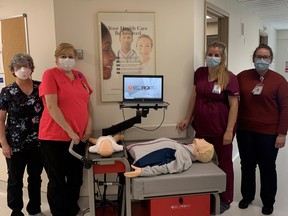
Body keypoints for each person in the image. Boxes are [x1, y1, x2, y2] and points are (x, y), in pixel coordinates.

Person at [176, 41, 239, 214]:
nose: (212, 57)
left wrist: (229, 130)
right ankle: (206, 194)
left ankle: (225, 199)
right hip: (202, 127)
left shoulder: (229, 77)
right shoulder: (200, 73)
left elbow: (234, 106)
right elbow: (194, 96)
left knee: (224, 163)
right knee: (202, 161)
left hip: (221, 128)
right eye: (210, 54)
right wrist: (187, 118)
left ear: (223, 58)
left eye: (216, 55)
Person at [38, 43, 93, 216]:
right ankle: (60, 213)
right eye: (63, 56)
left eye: (71, 56)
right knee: (57, 181)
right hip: (54, 138)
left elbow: (87, 103)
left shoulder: (80, 75)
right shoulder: (50, 74)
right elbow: (52, 107)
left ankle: (72, 210)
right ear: (56, 58)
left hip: (79, 138)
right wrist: (70, 132)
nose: (67, 59)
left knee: (76, 179)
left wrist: (89, 129)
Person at [236, 44, 288, 215]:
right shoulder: (242, 77)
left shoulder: (279, 80)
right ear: (253, 59)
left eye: (266, 57)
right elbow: (232, 99)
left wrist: (282, 133)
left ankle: (268, 201)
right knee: (247, 166)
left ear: (271, 60)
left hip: (269, 134)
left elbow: (285, 108)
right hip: (245, 131)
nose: (262, 60)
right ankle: (247, 196)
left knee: (267, 167)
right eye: (259, 57)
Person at [0, 53, 45, 216]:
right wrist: (4, 143)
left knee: (35, 178)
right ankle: (16, 211)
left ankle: (34, 209)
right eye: (18, 66)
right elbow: (0, 119)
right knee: (14, 179)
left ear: (32, 68)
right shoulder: (7, 92)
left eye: (26, 65)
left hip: (38, 142)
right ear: (13, 69)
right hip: (15, 143)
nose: (23, 69)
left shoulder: (41, 87)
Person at [124, 137, 214, 178]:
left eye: (205, 143)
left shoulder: (184, 157)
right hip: (127, 152)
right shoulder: (184, 148)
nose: (203, 139)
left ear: (202, 152)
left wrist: (143, 171)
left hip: (132, 159)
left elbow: (165, 168)